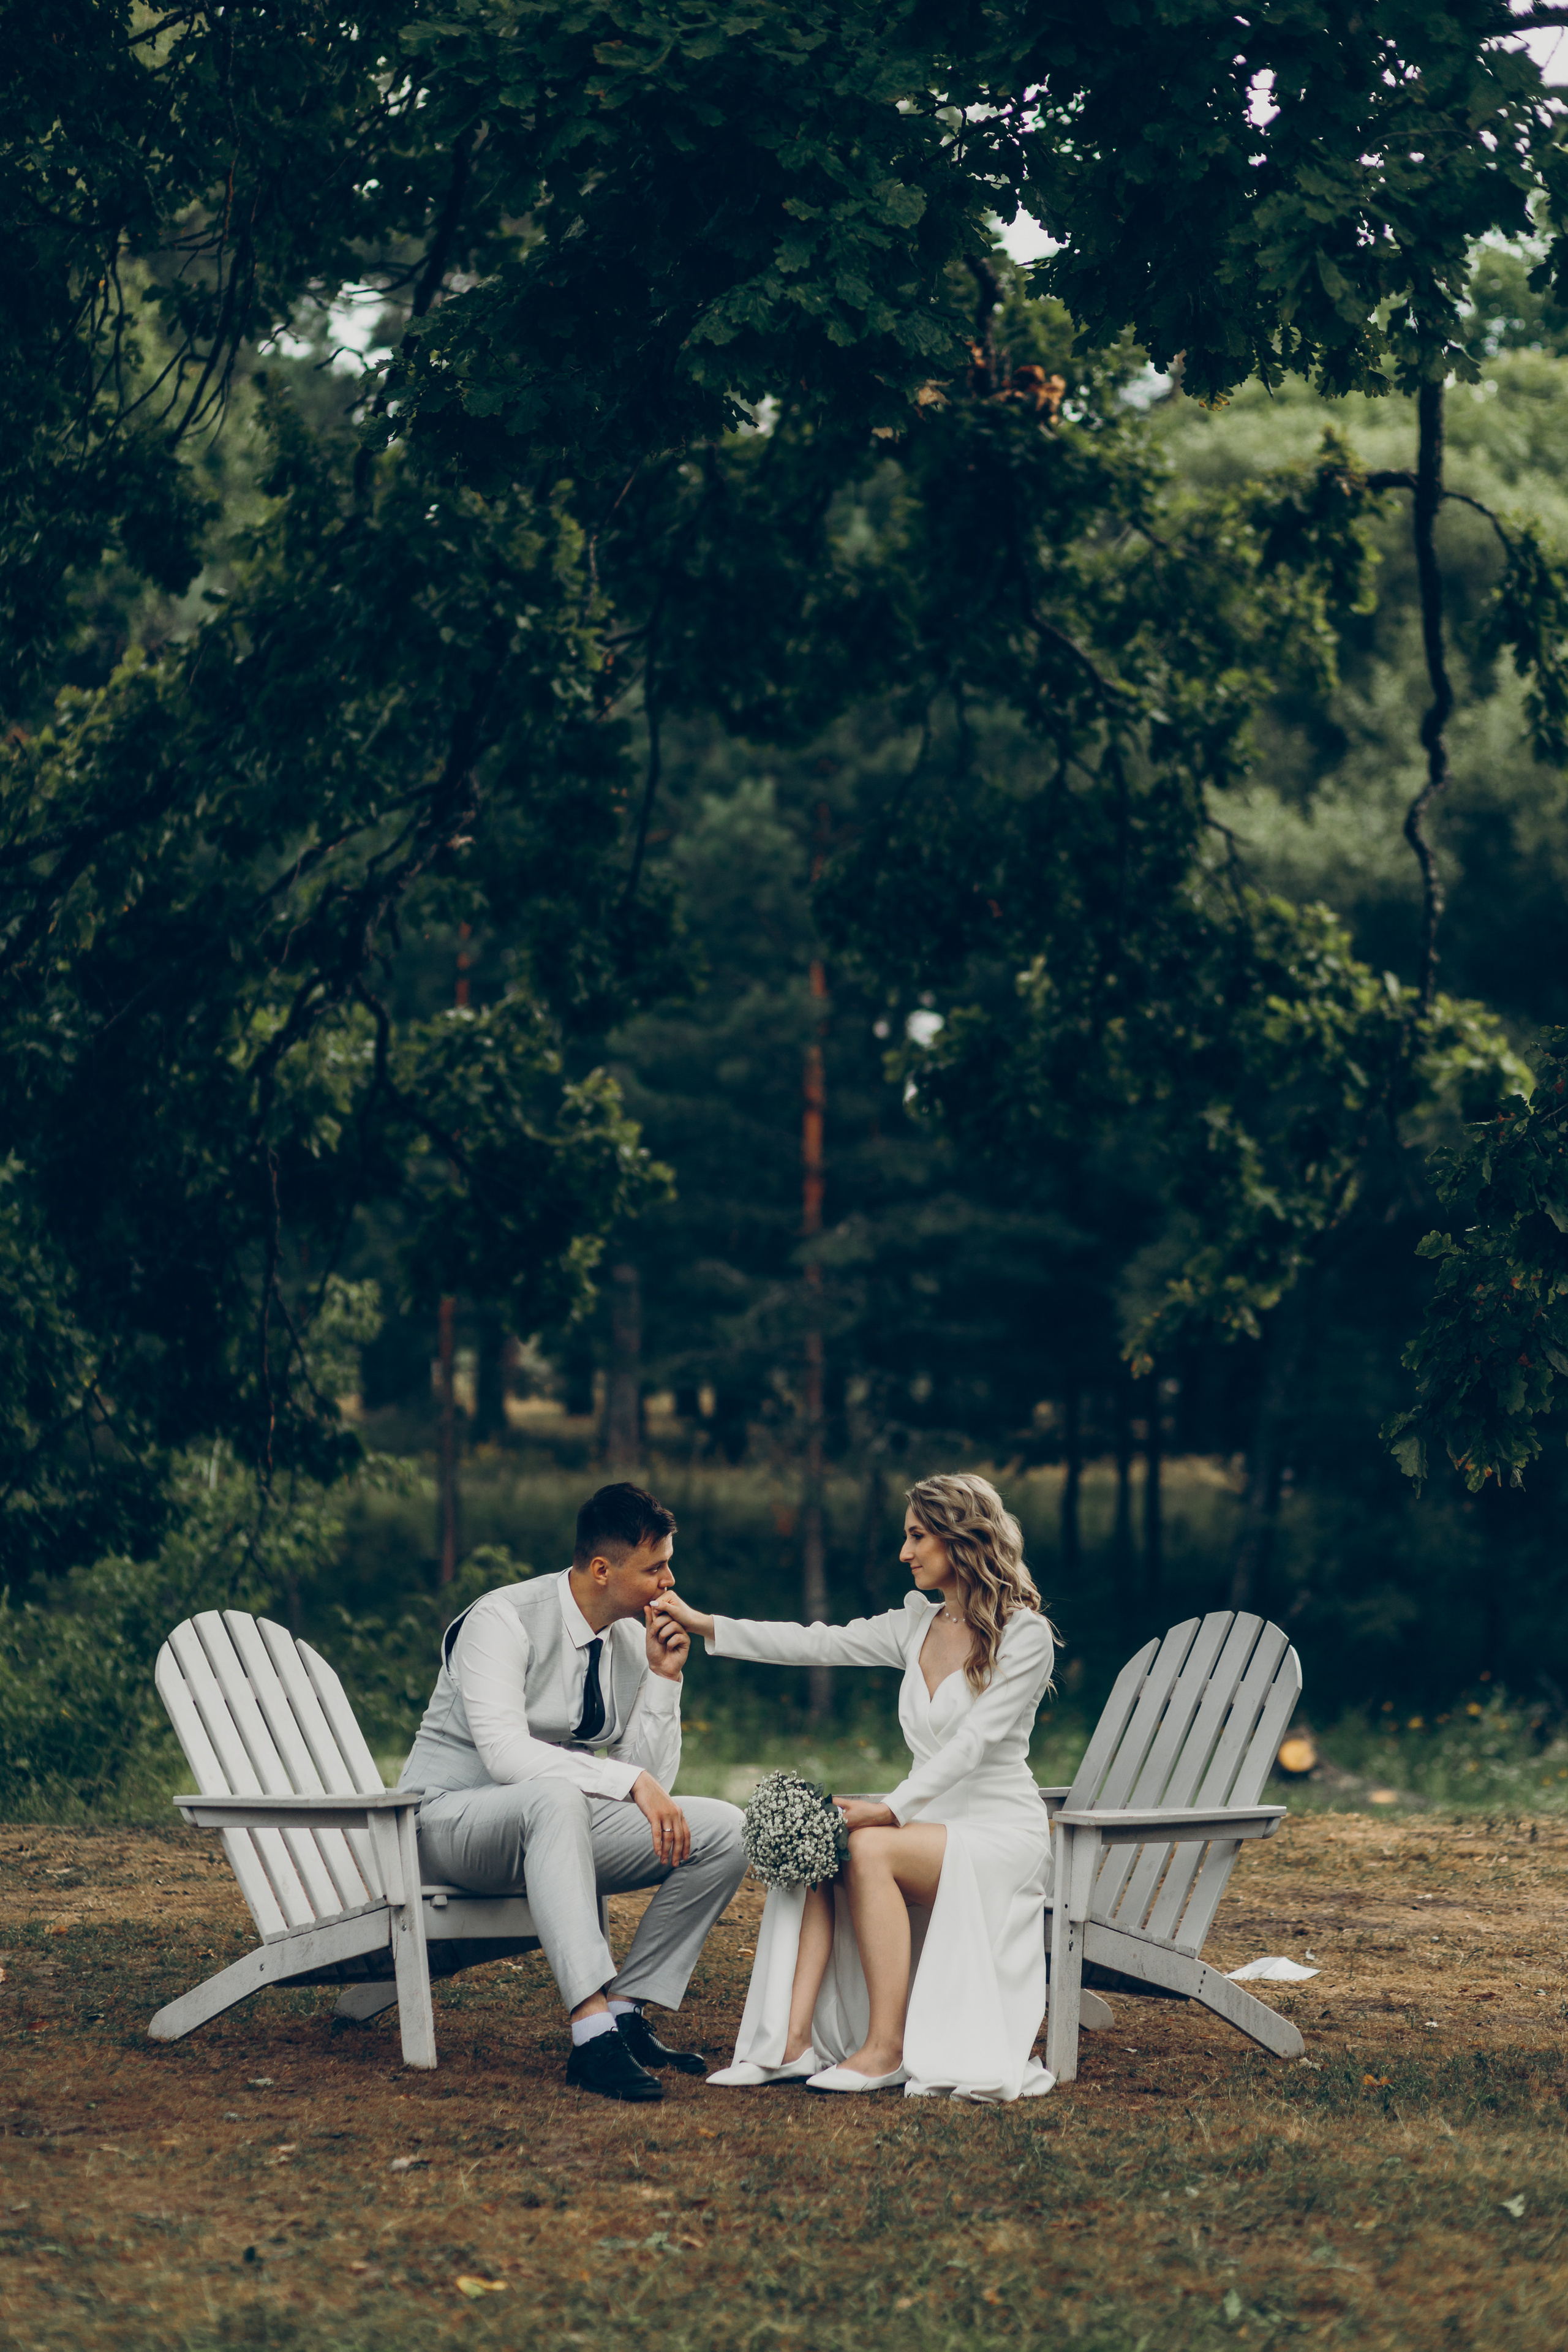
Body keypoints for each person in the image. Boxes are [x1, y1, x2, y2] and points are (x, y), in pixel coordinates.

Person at [655, 1473, 1057, 2101]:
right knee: (827, 1841)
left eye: (918, 1536)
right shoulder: (915, 1624)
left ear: (960, 1539)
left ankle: (885, 2049)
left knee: (866, 1845)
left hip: (998, 1832)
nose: (906, 1553)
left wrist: (887, 1811)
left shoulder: (1024, 1635)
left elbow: (974, 1743)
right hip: (925, 1823)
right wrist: (704, 1624)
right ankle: (790, 2043)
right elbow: (816, 1643)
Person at [404, 1481, 747, 2103]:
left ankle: (622, 2011)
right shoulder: (501, 1619)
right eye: (656, 1567)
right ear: (601, 1569)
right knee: (555, 1796)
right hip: (447, 1828)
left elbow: (650, 1784)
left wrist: (665, 1681)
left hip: (552, 1827)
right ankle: (590, 2038)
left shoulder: (624, 1639)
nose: (669, 1582)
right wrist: (629, 1782)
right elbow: (506, 1755)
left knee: (723, 1831)